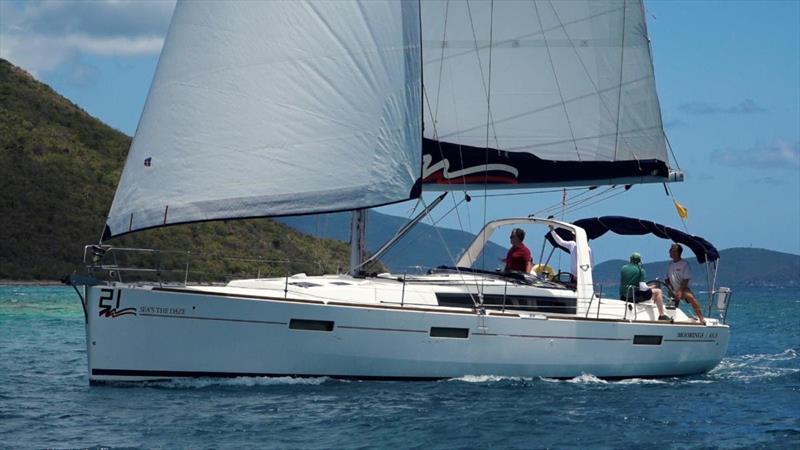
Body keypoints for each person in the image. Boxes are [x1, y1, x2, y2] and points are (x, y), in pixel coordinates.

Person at [619, 253, 670, 321]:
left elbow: (630, 282)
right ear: (639, 261)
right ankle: (661, 315)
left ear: (630, 259)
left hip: (623, 297)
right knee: (658, 291)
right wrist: (650, 287)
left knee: (647, 291)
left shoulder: (623, 268)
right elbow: (643, 287)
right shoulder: (641, 270)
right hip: (633, 297)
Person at [666, 243, 706, 324]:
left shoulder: (684, 264)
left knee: (691, 297)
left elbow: (686, 280)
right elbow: (666, 279)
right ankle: (672, 318)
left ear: (677, 252)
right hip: (672, 289)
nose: (669, 252)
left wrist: (680, 291)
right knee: (670, 302)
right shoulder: (670, 264)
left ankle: (701, 318)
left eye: (671, 250)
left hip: (683, 288)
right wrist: (670, 289)